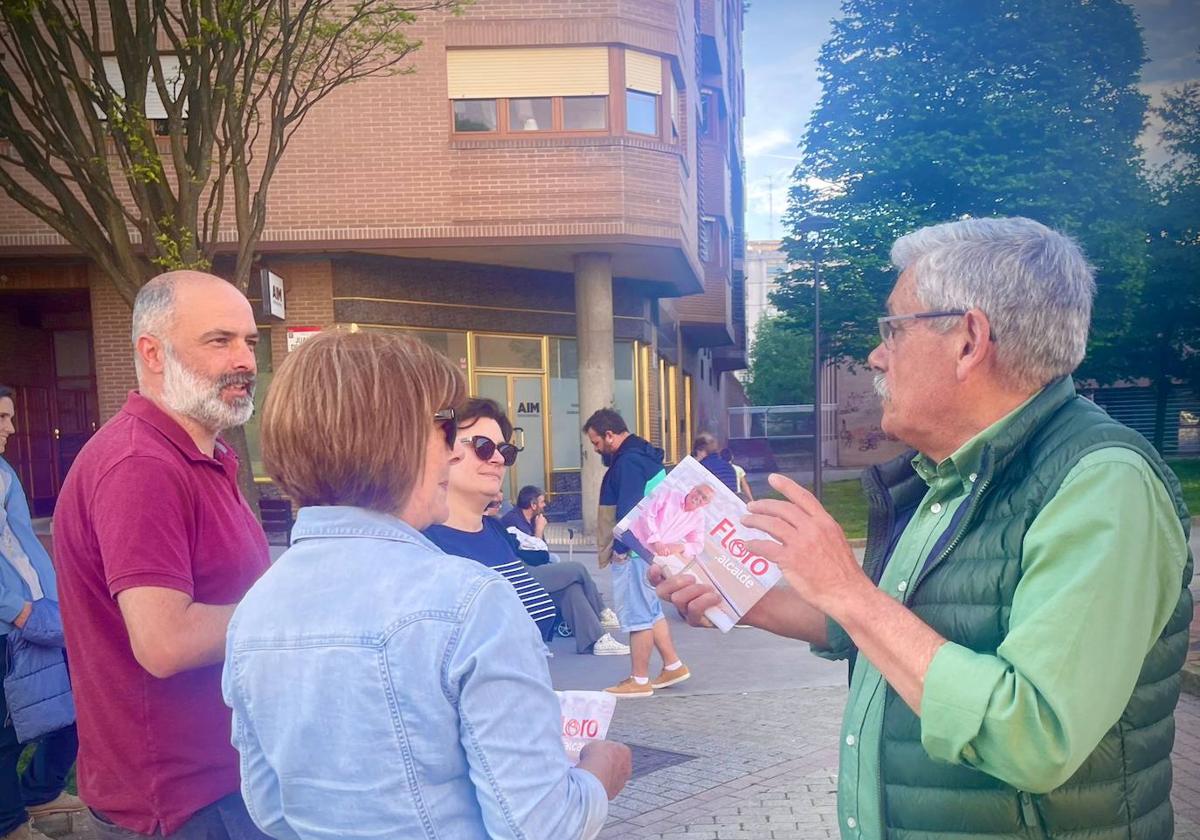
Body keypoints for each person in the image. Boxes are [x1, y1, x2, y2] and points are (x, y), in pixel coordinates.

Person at [655, 217, 1192, 839]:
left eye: (893, 329)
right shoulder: (957, 474)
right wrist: (743, 600)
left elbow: (1034, 736)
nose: (877, 355)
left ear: (969, 340)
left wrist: (847, 588)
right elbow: (901, 630)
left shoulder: (1103, 484)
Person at [224, 332, 630, 838]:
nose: (451, 456)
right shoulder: (469, 601)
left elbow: (270, 808)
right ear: (400, 441)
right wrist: (600, 774)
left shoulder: (256, 608)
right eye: (445, 433)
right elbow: (539, 826)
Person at [54, 272, 271, 838]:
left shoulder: (205, 453)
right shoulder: (141, 466)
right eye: (219, 340)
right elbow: (164, 642)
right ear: (152, 352)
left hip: (221, 783)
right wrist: (292, 609)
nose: (244, 359)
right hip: (180, 806)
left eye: (250, 341)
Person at [427, 400, 628, 657]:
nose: (499, 459)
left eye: (506, 451)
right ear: (446, 451)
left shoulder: (494, 531)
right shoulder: (425, 546)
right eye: (483, 447)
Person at [0, 387, 83, 840]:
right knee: (5, 733)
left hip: (43, 614)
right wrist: (15, 611)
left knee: (72, 706)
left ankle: (43, 790)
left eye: (9, 417)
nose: (10, 428)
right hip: (12, 624)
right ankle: (10, 823)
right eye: (2, 418)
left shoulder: (5, 470)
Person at [584, 408, 690, 697]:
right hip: (648, 549)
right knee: (651, 611)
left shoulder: (628, 462)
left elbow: (630, 509)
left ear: (609, 435)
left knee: (637, 615)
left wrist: (620, 547)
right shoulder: (643, 456)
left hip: (634, 551)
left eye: (596, 442)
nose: (595, 449)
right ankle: (673, 665)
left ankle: (639, 680)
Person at [628, 483, 715, 576]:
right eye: (698, 492)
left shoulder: (699, 518)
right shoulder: (670, 495)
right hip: (632, 538)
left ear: (706, 504)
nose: (699, 497)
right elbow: (647, 515)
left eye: (704, 497)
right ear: (692, 489)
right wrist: (656, 541)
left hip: (649, 554)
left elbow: (698, 545)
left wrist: (681, 547)